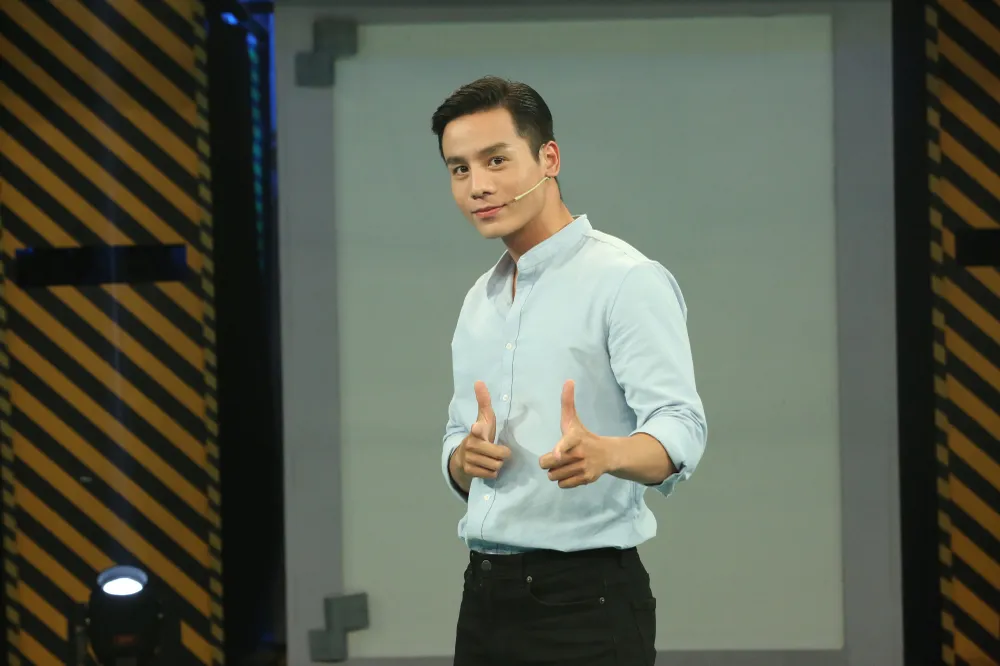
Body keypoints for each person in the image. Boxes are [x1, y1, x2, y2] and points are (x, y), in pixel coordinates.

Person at [432, 75, 707, 666]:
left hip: (584, 602)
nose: (478, 186)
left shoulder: (624, 280)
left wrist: (608, 453)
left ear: (549, 159)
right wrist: (462, 459)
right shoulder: (479, 300)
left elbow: (681, 425)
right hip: (483, 596)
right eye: (459, 169)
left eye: (496, 160)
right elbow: (457, 434)